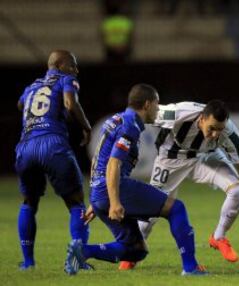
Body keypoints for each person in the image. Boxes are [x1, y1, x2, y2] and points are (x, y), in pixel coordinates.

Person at [64, 84, 207, 276]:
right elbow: (113, 163)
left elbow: (98, 159)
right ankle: (190, 268)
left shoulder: (117, 119)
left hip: (100, 192)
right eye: (157, 104)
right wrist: (113, 202)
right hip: (113, 191)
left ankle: (83, 251)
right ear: (147, 104)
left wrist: (97, 197)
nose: (158, 109)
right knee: (176, 208)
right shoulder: (130, 125)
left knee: (136, 250)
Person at [119, 100, 239, 270]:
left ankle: (218, 237)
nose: (215, 135)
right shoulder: (178, 114)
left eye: (219, 130)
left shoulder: (229, 133)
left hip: (203, 158)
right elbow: (143, 115)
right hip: (171, 160)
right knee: (151, 214)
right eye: (211, 128)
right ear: (202, 119)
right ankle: (133, 252)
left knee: (237, 189)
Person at [15, 50, 92, 270]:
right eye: (72, 65)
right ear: (58, 65)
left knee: (29, 202)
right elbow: (69, 104)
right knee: (77, 203)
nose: (76, 70)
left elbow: (21, 105)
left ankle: (28, 262)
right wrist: (86, 127)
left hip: (26, 146)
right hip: (53, 144)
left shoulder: (32, 86)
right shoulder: (66, 79)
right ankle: (78, 260)